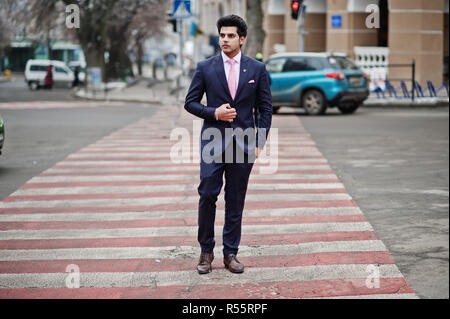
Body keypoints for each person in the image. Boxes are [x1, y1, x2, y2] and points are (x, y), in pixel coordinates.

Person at [184, 15, 272, 274]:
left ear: (241, 38)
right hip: (213, 143)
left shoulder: (257, 69)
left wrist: (259, 143)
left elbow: (264, 109)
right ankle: (206, 252)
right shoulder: (205, 67)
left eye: (230, 35)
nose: (225, 39)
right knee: (207, 194)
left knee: (235, 200)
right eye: (222, 35)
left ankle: (230, 253)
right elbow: (190, 102)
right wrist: (214, 113)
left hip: (243, 146)